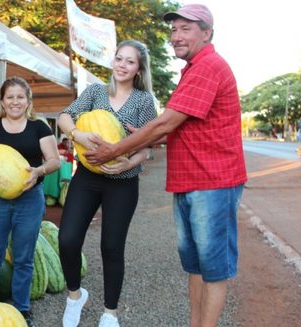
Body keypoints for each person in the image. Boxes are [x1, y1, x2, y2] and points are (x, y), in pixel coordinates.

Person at [85, 5, 247, 327]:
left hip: (212, 182)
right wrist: (145, 139)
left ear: (207, 32)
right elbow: (177, 129)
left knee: (213, 269)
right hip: (191, 180)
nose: (176, 36)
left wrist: (115, 149)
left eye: (186, 29)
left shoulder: (208, 66)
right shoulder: (192, 69)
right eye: (174, 30)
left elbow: (164, 124)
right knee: (195, 266)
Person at [57, 40, 157, 327]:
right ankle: (75, 296)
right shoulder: (95, 92)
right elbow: (66, 116)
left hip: (123, 182)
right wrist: (76, 134)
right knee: (67, 239)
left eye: (130, 61)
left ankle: (110, 313)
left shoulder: (143, 101)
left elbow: (147, 146)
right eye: (119, 59)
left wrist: (130, 163)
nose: (122, 65)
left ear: (139, 69)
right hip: (87, 178)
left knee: (112, 246)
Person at [0, 76, 61, 327]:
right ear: (2, 100)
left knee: (23, 257)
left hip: (30, 198)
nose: (15, 102)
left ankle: (21, 308)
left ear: (28, 100)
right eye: (10, 97)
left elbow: (54, 160)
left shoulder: (39, 128)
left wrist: (37, 172)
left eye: (20, 97)